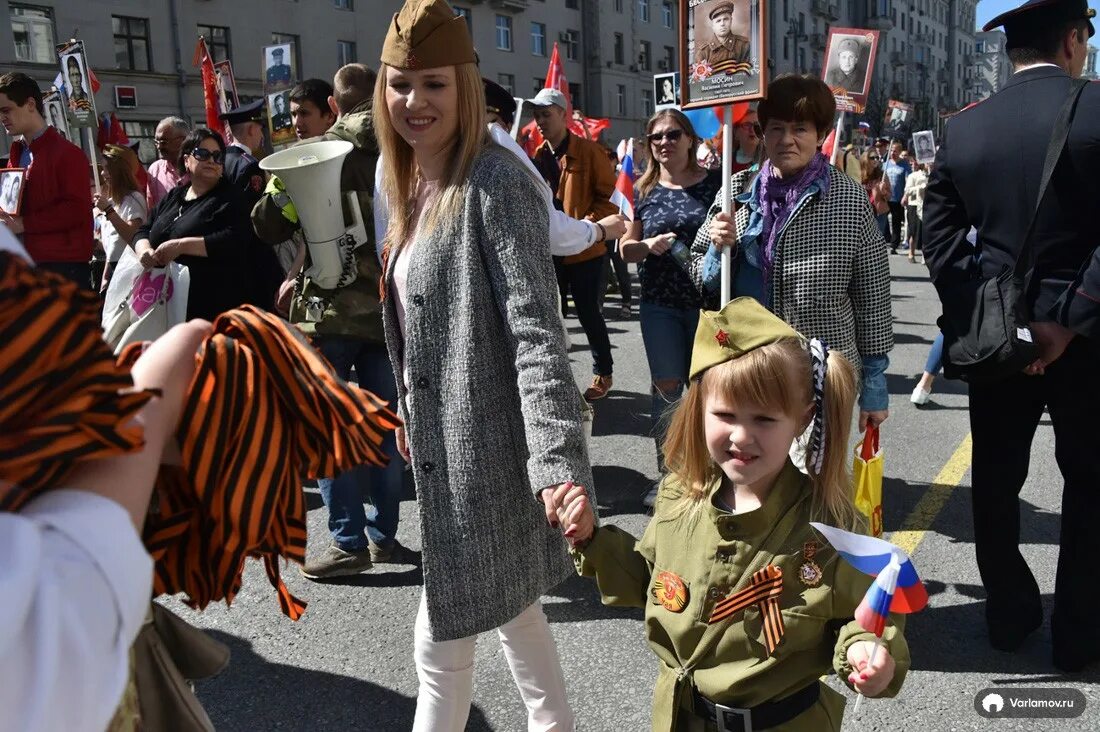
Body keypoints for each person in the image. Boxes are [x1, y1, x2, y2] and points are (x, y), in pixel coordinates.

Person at [375, 1, 592, 728]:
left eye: (433, 84)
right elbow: (417, 321)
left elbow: (538, 334)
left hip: (492, 454)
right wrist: (410, 408)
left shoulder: (495, 182)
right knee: (515, 612)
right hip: (446, 447)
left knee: (440, 649)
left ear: (465, 86)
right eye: (401, 84)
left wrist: (559, 464)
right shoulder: (407, 182)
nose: (415, 102)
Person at [560, 297, 910, 732]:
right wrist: (594, 539)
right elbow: (652, 582)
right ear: (698, 408)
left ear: (801, 420)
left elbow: (867, 615)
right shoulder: (679, 496)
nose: (741, 436)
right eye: (724, 414)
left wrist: (868, 652)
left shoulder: (831, 526)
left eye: (764, 419)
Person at [922, 0, 1100, 672]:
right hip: (1089, 339)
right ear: (1073, 39)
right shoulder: (1096, 109)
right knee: (1090, 484)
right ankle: (1080, 634)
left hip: (998, 339)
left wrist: (994, 318)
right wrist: (1068, 317)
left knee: (995, 481)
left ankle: (1008, 616)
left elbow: (937, 240)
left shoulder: (964, 130)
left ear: (1008, 51)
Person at [252, 62, 416, 578]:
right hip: (390, 308)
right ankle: (382, 536)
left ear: (337, 106)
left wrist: (281, 186)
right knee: (387, 428)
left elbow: (268, 224)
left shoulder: (319, 149)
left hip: (329, 311)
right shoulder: (405, 146)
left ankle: (346, 542)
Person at [692, 74, 894, 435]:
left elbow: (873, 298)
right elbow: (700, 277)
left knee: (814, 482)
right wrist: (719, 249)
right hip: (747, 365)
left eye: (800, 128)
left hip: (820, 374)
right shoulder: (736, 193)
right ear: (762, 132)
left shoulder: (848, 200)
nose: (787, 139)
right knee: (756, 479)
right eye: (776, 128)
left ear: (821, 134)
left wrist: (875, 388)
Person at [620, 109, 721, 508]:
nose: (664, 143)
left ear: (690, 139)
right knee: (667, 389)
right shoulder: (642, 190)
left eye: (673, 134)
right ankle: (669, 474)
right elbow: (625, 249)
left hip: (707, 306)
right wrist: (646, 246)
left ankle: (710, 468)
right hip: (659, 305)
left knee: (707, 389)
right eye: (656, 137)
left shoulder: (715, 185)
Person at [530, 86, 619, 401]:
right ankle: (555, 377)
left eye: (546, 114)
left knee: (588, 314)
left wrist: (584, 229)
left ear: (562, 115)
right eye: (537, 115)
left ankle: (603, 373)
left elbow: (608, 199)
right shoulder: (537, 156)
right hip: (551, 252)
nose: (540, 121)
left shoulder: (589, 151)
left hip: (586, 250)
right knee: (551, 317)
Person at [133, 128, 253, 321]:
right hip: (164, 305)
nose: (211, 161)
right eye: (203, 154)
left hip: (212, 308)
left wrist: (181, 246)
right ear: (186, 160)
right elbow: (143, 230)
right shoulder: (174, 196)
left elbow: (236, 240)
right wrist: (144, 251)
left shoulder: (231, 197)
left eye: (217, 156)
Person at [0, 73, 93, 286]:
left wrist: (24, 224)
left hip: (61, 269)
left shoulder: (68, 154)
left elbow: (77, 209)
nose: (2, 118)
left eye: (6, 110)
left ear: (31, 104)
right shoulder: (16, 153)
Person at [220, 99, 283, 307]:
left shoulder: (220, 160)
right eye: (260, 129)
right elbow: (257, 215)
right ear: (250, 129)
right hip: (249, 255)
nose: (262, 135)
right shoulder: (249, 166)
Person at [93, 144, 148, 291]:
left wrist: (109, 211)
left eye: (106, 169)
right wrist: (105, 276)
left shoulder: (134, 199)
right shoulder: (114, 202)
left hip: (129, 269)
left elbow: (132, 236)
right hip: (114, 269)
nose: (103, 174)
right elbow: (113, 247)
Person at [146, 116, 190, 209]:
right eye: (156, 142)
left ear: (183, 140)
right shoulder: (154, 170)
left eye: (164, 142)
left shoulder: (200, 166)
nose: (159, 147)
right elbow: (152, 209)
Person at [695, 1, 751, 68]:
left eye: (726, 19)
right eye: (718, 21)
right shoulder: (703, 52)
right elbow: (698, 76)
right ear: (713, 26)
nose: (722, 24)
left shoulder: (744, 45)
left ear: (731, 21)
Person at [882, 141, 911, 252]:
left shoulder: (904, 164)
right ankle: (886, 240)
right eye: (891, 150)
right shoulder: (886, 164)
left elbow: (908, 180)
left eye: (895, 151)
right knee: (883, 222)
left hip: (898, 198)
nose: (893, 153)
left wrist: (906, 195)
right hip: (886, 197)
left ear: (899, 152)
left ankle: (894, 244)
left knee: (896, 222)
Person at [903, 161, 928, 264]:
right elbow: (907, 190)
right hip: (914, 205)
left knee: (926, 231)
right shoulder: (913, 175)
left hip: (927, 205)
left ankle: (924, 255)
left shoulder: (934, 175)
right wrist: (920, 187)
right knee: (914, 230)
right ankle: (911, 253)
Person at [730, 110, 762, 174]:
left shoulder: (767, 160)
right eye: (747, 125)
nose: (752, 129)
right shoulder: (726, 161)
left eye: (756, 125)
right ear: (736, 132)